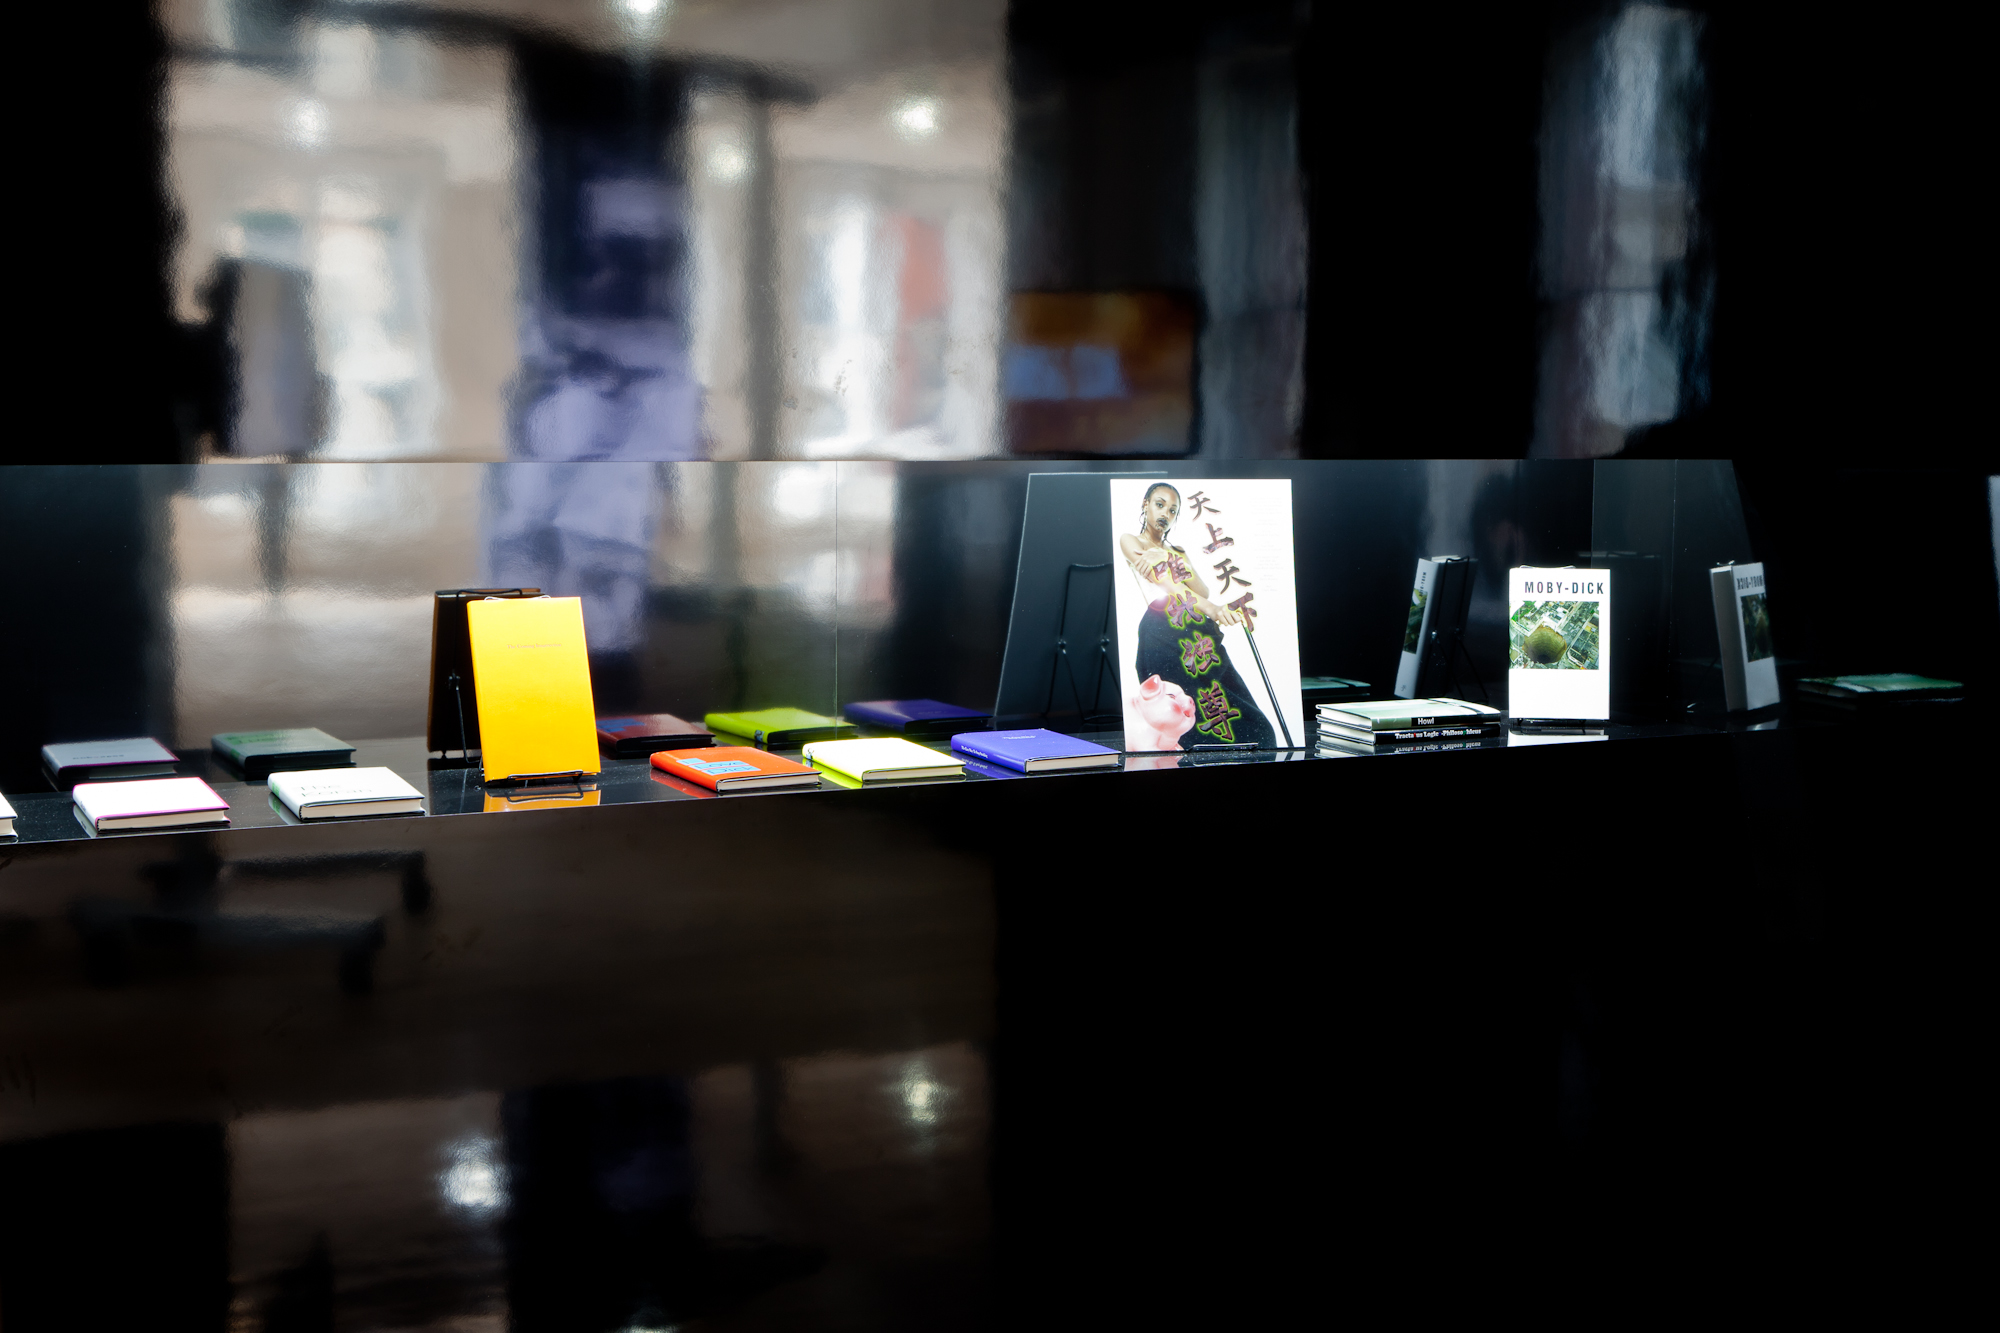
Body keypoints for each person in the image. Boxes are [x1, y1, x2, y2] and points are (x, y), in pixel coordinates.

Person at [1117, 482, 1276, 747]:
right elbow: (1169, 586)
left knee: (1251, 722)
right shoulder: (1131, 540)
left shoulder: (1176, 551)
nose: (1165, 514)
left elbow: (1201, 589)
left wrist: (1170, 557)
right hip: (1162, 632)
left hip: (1197, 633)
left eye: (1172, 510)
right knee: (1186, 719)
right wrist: (1212, 609)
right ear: (1145, 504)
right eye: (1159, 505)